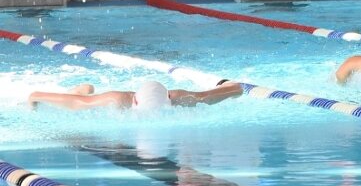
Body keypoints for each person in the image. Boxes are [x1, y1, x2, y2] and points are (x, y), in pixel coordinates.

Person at [28, 80, 244, 111]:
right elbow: (77, 104)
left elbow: (207, 96)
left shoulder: (179, 98)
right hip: (127, 98)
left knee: (199, 98)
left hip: (162, 94)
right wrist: (36, 96)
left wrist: (234, 89)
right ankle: (80, 86)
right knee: (84, 100)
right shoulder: (118, 100)